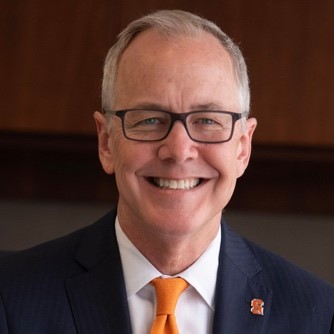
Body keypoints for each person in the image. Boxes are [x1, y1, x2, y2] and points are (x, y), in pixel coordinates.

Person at [0, 9, 333, 334]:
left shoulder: (318, 317)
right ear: (106, 142)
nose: (178, 150)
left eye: (207, 120)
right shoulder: (10, 297)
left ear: (242, 148)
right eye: (148, 119)